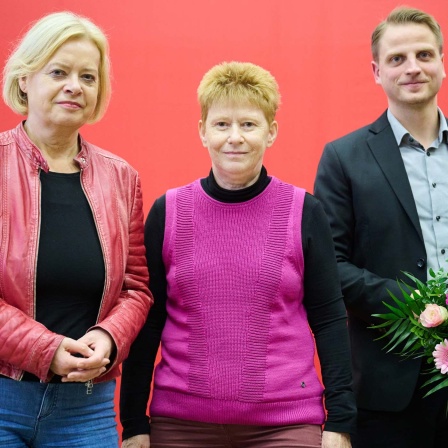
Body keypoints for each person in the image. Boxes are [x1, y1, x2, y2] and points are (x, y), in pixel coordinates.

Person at [120, 61, 356, 448]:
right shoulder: (168, 212)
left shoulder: (304, 212)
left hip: (286, 425)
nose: (235, 138)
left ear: (271, 132)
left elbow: (329, 320)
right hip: (182, 426)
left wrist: (341, 422)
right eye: (221, 124)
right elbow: (148, 323)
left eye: (248, 124)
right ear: (202, 131)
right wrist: (133, 424)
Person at [0, 11, 153, 447]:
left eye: (88, 76)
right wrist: (46, 351)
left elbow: (136, 287)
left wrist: (108, 338)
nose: (75, 85)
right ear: (25, 79)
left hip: (86, 407)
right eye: (59, 71)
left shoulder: (122, 178)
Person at [314, 6, 448, 448]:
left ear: (442, 62)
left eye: (424, 55)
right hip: (388, 388)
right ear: (376, 71)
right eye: (397, 58)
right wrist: (415, 303)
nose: (413, 68)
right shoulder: (344, 157)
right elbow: (328, 265)